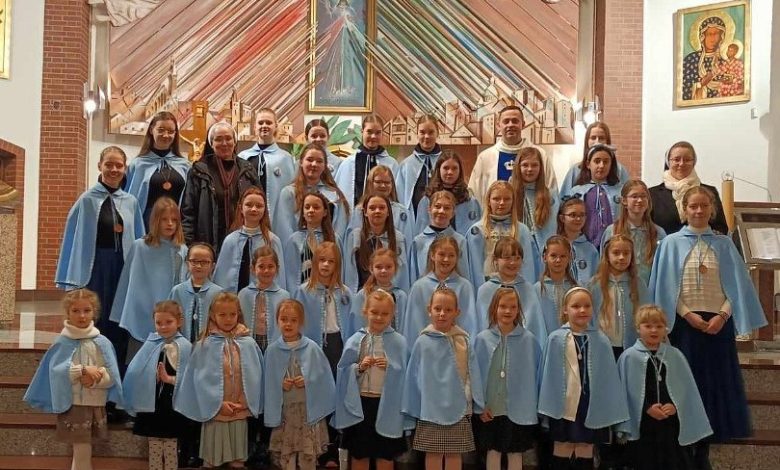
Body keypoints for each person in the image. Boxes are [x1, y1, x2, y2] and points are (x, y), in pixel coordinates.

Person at [650, 186, 766, 465]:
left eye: (704, 206)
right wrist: (687, 314)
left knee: (715, 382)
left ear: (712, 209)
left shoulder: (724, 244)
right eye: (693, 206)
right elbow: (666, 286)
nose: (699, 211)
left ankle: (707, 441)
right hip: (684, 324)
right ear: (684, 210)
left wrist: (722, 316)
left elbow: (737, 288)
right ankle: (683, 438)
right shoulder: (671, 243)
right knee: (684, 381)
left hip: (717, 324)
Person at [56, 146, 145, 375]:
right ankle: (93, 374)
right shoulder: (87, 200)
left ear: (125, 169)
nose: (114, 169)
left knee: (119, 322)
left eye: (119, 165)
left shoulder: (131, 201)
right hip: (95, 268)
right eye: (109, 164)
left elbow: (140, 239)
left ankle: (117, 377)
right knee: (96, 319)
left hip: (123, 268)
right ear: (100, 166)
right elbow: (74, 239)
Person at [24, 289, 123, 470]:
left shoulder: (102, 343)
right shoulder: (63, 342)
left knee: (83, 449)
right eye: (76, 311)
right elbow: (56, 373)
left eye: (87, 310)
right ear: (68, 313)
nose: (82, 316)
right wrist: (82, 370)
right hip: (74, 404)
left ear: (94, 312)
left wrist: (96, 380)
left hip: (95, 404)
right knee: (81, 449)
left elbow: (112, 376)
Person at [537, 287, 628, 470]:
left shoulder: (601, 340)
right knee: (562, 447)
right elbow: (547, 378)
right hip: (564, 405)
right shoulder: (555, 339)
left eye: (587, 306)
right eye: (576, 306)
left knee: (586, 448)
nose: (582, 310)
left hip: (590, 405)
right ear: (565, 309)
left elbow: (608, 380)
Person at [616, 305, 712, 470]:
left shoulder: (675, 355)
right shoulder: (628, 357)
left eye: (659, 326)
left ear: (665, 329)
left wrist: (675, 406)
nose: (654, 330)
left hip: (671, 424)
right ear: (638, 328)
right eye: (648, 326)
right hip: (643, 424)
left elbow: (686, 391)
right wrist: (647, 408)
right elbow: (625, 393)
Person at [174, 292, 264, 469]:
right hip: (215, 411)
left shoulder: (248, 343)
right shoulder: (204, 345)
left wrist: (244, 402)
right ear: (212, 316)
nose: (228, 319)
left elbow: (255, 376)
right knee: (212, 460)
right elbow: (199, 381)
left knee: (237, 460)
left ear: (239, 314)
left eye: (232, 314)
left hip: (239, 409)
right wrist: (217, 404)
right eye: (222, 315)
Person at [402, 286, 485, 470]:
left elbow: (472, 374)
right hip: (430, 410)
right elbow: (413, 377)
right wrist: (413, 406)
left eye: (448, 310)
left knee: (454, 453)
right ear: (429, 310)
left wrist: (475, 402)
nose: (442, 314)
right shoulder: (422, 342)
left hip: (458, 407)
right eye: (437, 309)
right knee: (433, 452)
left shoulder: (463, 341)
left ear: (457, 312)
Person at [334, 290, 411, 470]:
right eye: (374, 312)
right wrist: (358, 367)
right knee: (359, 454)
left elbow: (407, 376)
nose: (379, 317)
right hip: (361, 405)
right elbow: (343, 371)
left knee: (385, 455)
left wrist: (391, 368)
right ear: (365, 311)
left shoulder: (399, 342)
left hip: (387, 407)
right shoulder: (355, 340)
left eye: (385, 313)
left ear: (392, 315)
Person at [473, 288, 542, 470]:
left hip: (519, 410)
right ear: (494, 308)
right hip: (491, 409)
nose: (508, 311)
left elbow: (535, 378)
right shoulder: (482, 339)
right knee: (493, 451)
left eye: (513, 307)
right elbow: (475, 376)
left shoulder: (529, 340)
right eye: (503, 306)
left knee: (515, 452)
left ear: (519, 310)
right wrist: (479, 405)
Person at [264, 299, 335, 470]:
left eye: (293, 320)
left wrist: (308, 381)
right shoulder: (272, 351)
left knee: (307, 456)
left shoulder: (312, 348)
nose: (288, 324)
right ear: (277, 321)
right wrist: (280, 384)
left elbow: (324, 378)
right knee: (286, 456)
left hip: (308, 412)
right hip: (285, 412)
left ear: (301, 322)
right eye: (284, 319)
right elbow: (267, 382)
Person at [110, 197, 188, 352]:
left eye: (174, 220)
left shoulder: (181, 249)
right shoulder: (140, 247)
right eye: (164, 219)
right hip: (141, 311)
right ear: (155, 221)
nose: (170, 224)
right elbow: (127, 282)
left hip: (169, 315)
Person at [123, 300, 192, 470]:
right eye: (159, 323)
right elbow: (135, 371)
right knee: (154, 444)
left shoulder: (185, 346)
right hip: (152, 403)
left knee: (170, 445)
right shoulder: (151, 343)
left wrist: (169, 379)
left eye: (168, 322)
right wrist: (147, 377)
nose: (163, 327)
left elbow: (189, 380)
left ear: (179, 322)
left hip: (172, 404)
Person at [181, 121, 260, 252]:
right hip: (208, 242)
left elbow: (259, 205)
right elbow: (188, 212)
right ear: (211, 143)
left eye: (228, 138)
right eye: (218, 139)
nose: (224, 143)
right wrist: (189, 245)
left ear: (234, 142)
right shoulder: (199, 171)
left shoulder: (247, 170)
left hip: (243, 240)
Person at [468, 105, 555, 204]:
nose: (510, 125)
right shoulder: (485, 157)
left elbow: (551, 190)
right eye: (506, 121)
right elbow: (474, 193)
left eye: (515, 121)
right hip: (495, 213)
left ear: (523, 124)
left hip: (531, 212)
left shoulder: (540, 155)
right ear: (498, 125)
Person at [293, 241, 352, 377]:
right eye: (322, 260)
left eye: (331, 261)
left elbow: (351, 324)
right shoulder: (303, 292)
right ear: (315, 262)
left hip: (338, 343)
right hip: (312, 345)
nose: (326, 264)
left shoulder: (345, 292)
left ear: (337, 265)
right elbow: (298, 323)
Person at [403, 236, 477, 344]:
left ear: (457, 258)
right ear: (432, 255)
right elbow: (412, 327)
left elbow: (471, 325)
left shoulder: (465, 287)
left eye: (451, 255)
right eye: (441, 254)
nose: (446, 259)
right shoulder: (419, 287)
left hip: (456, 347)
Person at [475, 237, 547, 347]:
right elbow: (482, 322)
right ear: (496, 260)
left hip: (522, 346)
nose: (512, 263)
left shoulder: (528, 289)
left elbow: (535, 324)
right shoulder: (485, 290)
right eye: (507, 258)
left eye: (517, 258)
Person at [125, 111, 191, 228]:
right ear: (151, 130)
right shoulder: (138, 164)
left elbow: (189, 202)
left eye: (170, 131)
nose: (166, 135)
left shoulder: (184, 165)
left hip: (175, 226)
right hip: (146, 226)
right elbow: (129, 200)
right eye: (161, 130)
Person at [213, 187, 285, 292]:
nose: (254, 209)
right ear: (241, 208)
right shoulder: (230, 240)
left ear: (265, 209)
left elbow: (279, 277)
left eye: (259, 206)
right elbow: (221, 278)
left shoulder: (272, 241)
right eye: (249, 205)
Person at [275, 143, 350, 243]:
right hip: (299, 249)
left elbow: (340, 228)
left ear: (325, 166)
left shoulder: (334, 194)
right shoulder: (289, 193)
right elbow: (284, 230)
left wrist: (332, 247)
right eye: (309, 160)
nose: (314, 164)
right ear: (301, 162)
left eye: (319, 161)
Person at [649, 141, 728, 235]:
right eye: (676, 159)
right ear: (668, 162)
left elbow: (721, 228)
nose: (681, 163)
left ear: (694, 162)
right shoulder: (652, 194)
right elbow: (647, 228)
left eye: (687, 160)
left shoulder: (709, 191)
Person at [589, 235, 650, 358]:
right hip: (602, 346)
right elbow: (590, 317)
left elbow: (645, 315)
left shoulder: (639, 284)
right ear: (607, 255)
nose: (621, 257)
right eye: (616, 253)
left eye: (626, 253)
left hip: (632, 347)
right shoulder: (595, 284)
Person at [466, 181, 536, 287]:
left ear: (513, 202)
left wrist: (525, 291)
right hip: (486, 287)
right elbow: (473, 269)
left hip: (516, 289)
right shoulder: (477, 231)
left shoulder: (522, 231)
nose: (502, 203)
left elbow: (529, 268)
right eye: (496, 199)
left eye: (507, 199)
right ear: (488, 201)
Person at [601, 180, 666, 285]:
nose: (639, 200)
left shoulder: (658, 233)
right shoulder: (612, 231)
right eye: (634, 196)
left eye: (643, 196)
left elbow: (663, 267)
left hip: (649, 289)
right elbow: (604, 265)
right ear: (624, 201)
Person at [343, 194, 410, 293]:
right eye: (372, 208)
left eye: (382, 208)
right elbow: (348, 271)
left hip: (389, 295)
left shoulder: (398, 238)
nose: (377, 211)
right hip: (361, 294)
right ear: (365, 212)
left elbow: (403, 274)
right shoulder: (354, 237)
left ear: (388, 212)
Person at [237, 108, 296, 221]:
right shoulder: (243, 157)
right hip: (248, 215)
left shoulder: (285, 158)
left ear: (275, 126)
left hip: (275, 216)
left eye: (268, 123)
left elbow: (291, 193)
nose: (264, 126)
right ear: (255, 127)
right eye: (260, 123)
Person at [561, 144, 624, 249]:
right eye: (597, 161)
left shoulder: (620, 191)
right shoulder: (576, 192)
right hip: (584, 246)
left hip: (614, 245)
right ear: (588, 164)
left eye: (606, 162)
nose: (601, 165)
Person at [511, 146, 559, 276]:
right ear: (518, 167)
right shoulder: (509, 194)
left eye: (534, 165)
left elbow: (554, 230)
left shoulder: (551, 196)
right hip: (517, 252)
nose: (530, 169)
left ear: (541, 168)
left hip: (542, 252)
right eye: (525, 165)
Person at [334, 115, 399, 209]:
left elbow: (396, 196)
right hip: (354, 215)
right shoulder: (348, 164)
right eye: (369, 132)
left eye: (378, 133)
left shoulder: (391, 164)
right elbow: (339, 197)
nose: (373, 136)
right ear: (362, 132)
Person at [283, 192, 342, 291]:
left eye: (316, 207)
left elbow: (340, 271)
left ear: (325, 212)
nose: (311, 210)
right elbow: (290, 276)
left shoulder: (334, 239)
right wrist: (296, 296)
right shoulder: (294, 240)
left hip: (329, 293)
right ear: (303, 213)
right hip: (303, 295)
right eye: (307, 207)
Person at [345, 248, 408, 338]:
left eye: (388, 267)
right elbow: (355, 326)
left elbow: (405, 327)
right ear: (371, 269)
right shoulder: (363, 295)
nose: (383, 271)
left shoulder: (401, 297)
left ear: (395, 268)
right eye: (379, 267)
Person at [238, 246, 291, 353]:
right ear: (253, 269)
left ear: (277, 269)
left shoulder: (284, 296)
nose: (266, 271)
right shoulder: (244, 294)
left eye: (270, 266)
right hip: (249, 343)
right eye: (261, 266)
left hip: (274, 344)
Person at [415, 151, 482, 237]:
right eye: (446, 168)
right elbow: (420, 234)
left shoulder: (470, 201)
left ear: (460, 171)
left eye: (454, 168)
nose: (450, 172)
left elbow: (476, 235)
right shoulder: (427, 200)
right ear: (439, 169)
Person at [169, 242, 223, 343]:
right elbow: (169, 317)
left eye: (204, 262)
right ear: (187, 263)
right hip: (182, 345)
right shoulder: (177, 291)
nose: (198, 266)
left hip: (208, 346)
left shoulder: (218, 293)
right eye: (194, 261)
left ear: (212, 266)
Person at [558, 122, 631, 198]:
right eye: (593, 138)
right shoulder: (575, 170)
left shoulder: (620, 170)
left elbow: (628, 196)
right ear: (587, 141)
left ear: (607, 141)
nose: (597, 142)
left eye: (601, 138)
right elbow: (564, 199)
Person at [409, 190, 470, 279]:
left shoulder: (460, 241)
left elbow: (464, 274)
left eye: (447, 208)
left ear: (453, 213)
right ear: (429, 209)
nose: (441, 211)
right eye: (437, 206)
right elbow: (413, 275)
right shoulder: (418, 241)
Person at [347, 165, 415, 244]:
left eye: (387, 182)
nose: (383, 185)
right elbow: (352, 241)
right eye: (378, 182)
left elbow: (408, 243)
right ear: (370, 183)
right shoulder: (359, 210)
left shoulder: (402, 212)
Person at [397, 114, 442, 220]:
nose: (426, 136)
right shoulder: (406, 164)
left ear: (437, 133)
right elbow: (399, 197)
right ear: (416, 133)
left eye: (431, 132)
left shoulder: (444, 162)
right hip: (413, 218)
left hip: (440, 217)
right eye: (422, 132)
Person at [682, 17, 728, 101]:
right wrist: (701, 83)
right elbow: (683, 85)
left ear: (721, 37)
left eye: (716, 34)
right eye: (709, 34)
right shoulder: (691, 59)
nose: (713, 39)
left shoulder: (723, 62)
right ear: (702, 37)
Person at [557, 198, 599, 286]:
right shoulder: (553, 246)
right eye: (573, 215)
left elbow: (596, 280)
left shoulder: (591, 250)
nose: (578, 218)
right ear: (562, 218)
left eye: (582, 215)